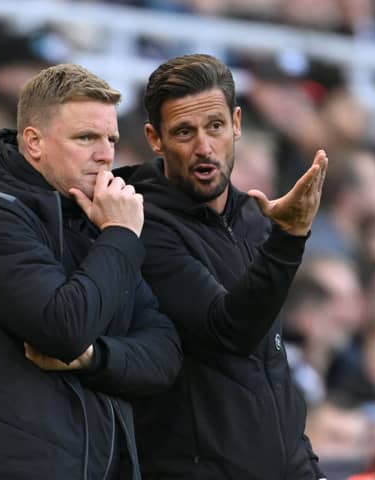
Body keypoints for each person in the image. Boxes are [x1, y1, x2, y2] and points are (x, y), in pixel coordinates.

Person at [0, 63, 182, 479]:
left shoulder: (96, 223)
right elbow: (64, 327)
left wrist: (96, 357)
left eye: (111, 139)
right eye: (86, 137)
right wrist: (122, 234)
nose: (105, 154)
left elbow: (164, 355)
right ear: (33, 142)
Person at [127, 54, 328, 479]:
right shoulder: (141, 225)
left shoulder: (255, 219)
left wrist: (304, 465)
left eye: (215, 126)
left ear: (236, 123)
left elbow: (270, 363)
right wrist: (288, 240)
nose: (204, 147)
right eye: (184, 131)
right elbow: (229, 331)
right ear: (155, 138)